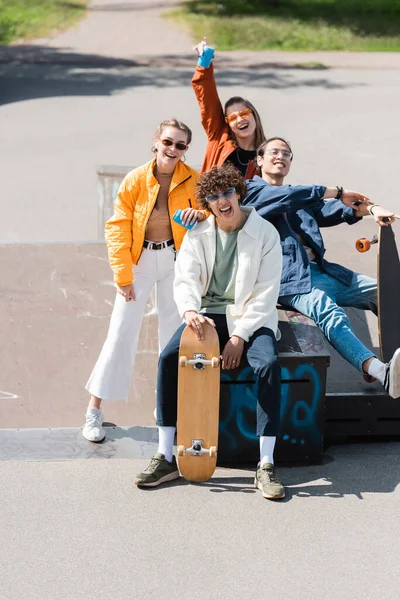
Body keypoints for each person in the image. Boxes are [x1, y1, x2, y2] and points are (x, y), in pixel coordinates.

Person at [135, 163, 286, 500]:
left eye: (227, 193)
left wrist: (239, 336)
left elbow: (265, 294)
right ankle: (165, 456)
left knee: (267, 365)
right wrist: (189, 310)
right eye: (214, 197)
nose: (222, 201)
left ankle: (265, 464)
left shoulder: (265, 233)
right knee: (169, 358)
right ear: (207, 202)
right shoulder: (199, 232)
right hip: (207, 313)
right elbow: (185, 277)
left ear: (238, 193)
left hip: (250, 316)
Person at [243, 136, 400, 398]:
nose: (281, 156)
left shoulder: (301, 199)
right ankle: (379, 371)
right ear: (259, 160)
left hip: (326, 272)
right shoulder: (252, 192)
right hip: (290, 281)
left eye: (286, 153)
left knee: (385, 291)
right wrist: (336, 190)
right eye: (274, 152)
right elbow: (287, 196)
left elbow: (333, 211)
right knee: (331, 313)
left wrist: (371, 209)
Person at [83, 119, 206, 442]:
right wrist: (123, 275)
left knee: (172, 338)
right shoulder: (136, 179)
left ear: (185, 150)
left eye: (180, 146)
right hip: (139, 262)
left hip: (174, 263)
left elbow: (211, 214)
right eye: (168, 142)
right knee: (121, 333)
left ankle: (165, 408)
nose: (173, 150)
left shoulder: (193, 180)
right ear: (156, 142)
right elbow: (117, 226)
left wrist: (200, 216)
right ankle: (94, 410)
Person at [192, 37, 266, 178]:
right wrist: (204, 61)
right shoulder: (219, 138)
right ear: (228, 123)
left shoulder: (267, 153)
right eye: (232, 118)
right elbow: (207, 98)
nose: (239, 120)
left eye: (243, 113)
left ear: (253, 114)